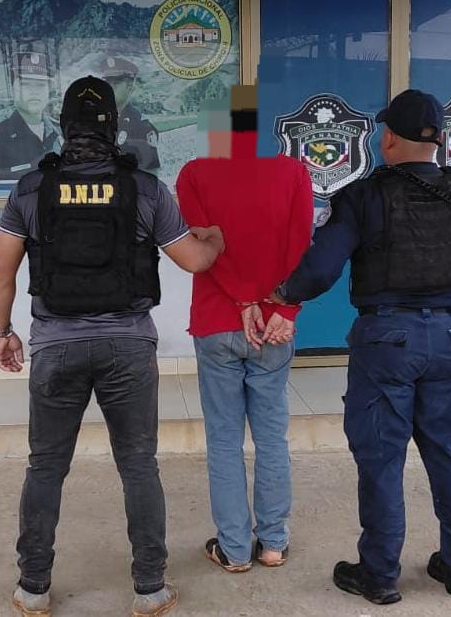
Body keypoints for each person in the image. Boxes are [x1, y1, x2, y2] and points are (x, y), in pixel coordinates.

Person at [0, 75, 224, 617]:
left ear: (62, 127)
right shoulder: (145, 189)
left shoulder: (31, 189)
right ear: (114, 127)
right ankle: (150, 589)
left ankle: (33, 588)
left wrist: (2, 332)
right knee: (138, 465)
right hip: (128, 347)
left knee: (45, 466)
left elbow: (1, 271)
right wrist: (214, 237)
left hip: (55, 347)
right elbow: (194, 260)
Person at [270, 89, 451, 605]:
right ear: (439, 140)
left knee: (381, 458)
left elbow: (322, 267)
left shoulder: (363, 196)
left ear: (390, 138)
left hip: (386, 340)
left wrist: (282, 295)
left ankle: (379, 575)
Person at [175, 86, 314, 573]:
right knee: (272, 437)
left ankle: (234, 549)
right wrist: (283, 309)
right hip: (274, 326)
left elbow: (201, 246)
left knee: (224, 440)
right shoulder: (293, 173)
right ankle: (273, 542)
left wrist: (239, 300)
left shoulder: (193, 175)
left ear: (213, 127)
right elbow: (302, 248)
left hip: (216, 322)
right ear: (261, 126)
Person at [0, 51, 62, 181]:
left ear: (48, 90)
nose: (34, 92)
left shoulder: (61, 133)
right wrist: (26, 170)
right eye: (26, 84)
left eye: (40, 85)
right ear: (12, 89)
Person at [102, 57, 161, 172]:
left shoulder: (141, 126)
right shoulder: (95, 121)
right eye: (108, 82)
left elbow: (151, 175)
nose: (110, 87)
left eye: (117, 82)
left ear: (130, 86)